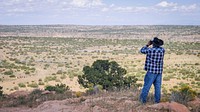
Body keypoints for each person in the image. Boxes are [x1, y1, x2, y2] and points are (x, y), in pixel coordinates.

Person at [139, 37, 165, 104]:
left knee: (146, 86)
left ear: (153, 43)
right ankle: (157, 101)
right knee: (158, 87)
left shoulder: (150, 50)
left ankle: (142, 101)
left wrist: (147, 45)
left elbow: (142, 50)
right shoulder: (162, 50)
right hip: (159, 72)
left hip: (151, 71)